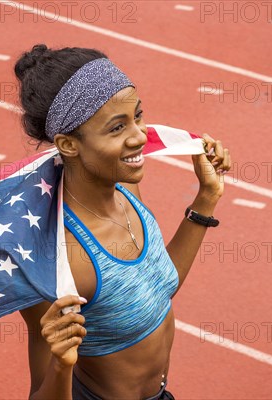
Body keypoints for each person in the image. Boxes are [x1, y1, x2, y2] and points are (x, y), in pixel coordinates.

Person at [15, 44, 231, 400]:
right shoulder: (59, 259)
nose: (140, 136)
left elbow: (154, 290)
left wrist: (205, 198)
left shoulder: (128, 189)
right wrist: (61, 365)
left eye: (138, 116)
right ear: (68, 144)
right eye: (117, 128)